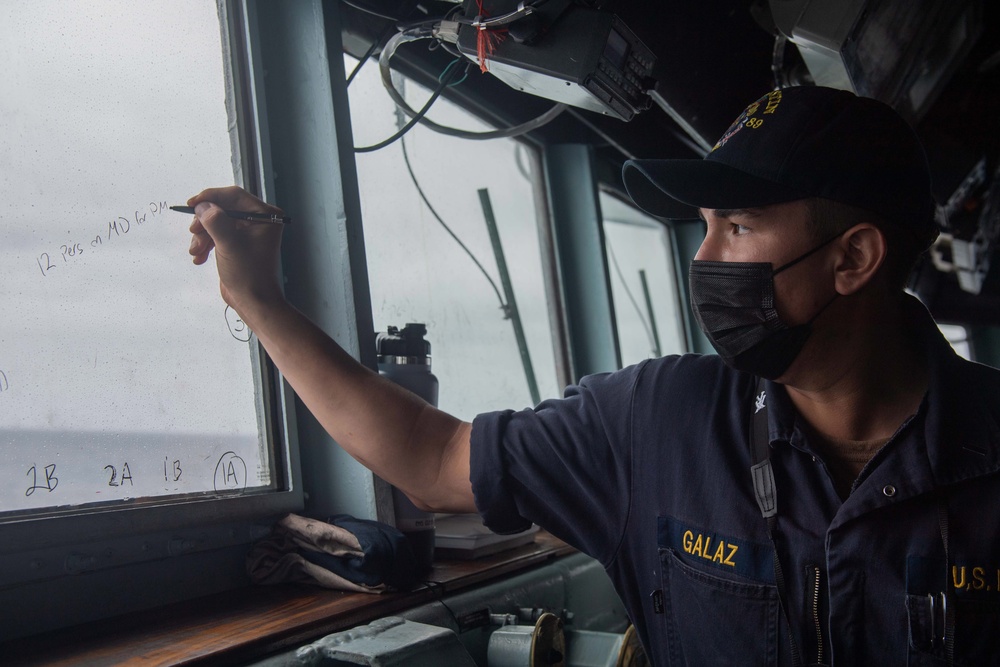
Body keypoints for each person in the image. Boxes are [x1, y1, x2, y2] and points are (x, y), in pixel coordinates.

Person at [187, 86, 1000, 666]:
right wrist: (261, 302)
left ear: (854, 257)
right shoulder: (657, 421)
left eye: (740, 225)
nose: (704, 257)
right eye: (705, 226)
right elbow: (432, 461)